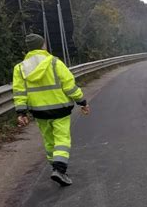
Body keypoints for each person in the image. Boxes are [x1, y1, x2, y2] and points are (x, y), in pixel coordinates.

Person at [13, 33, 90, 186]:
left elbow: (19, 91)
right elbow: (69, 86)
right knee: (62, 139)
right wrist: (82, 101)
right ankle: (59, 169)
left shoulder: (20, 68)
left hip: (39, 113)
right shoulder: (54, 63)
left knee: (49, 141)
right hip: (60, 109)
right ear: (43, 45)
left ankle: (55, 167)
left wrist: (21, 112)